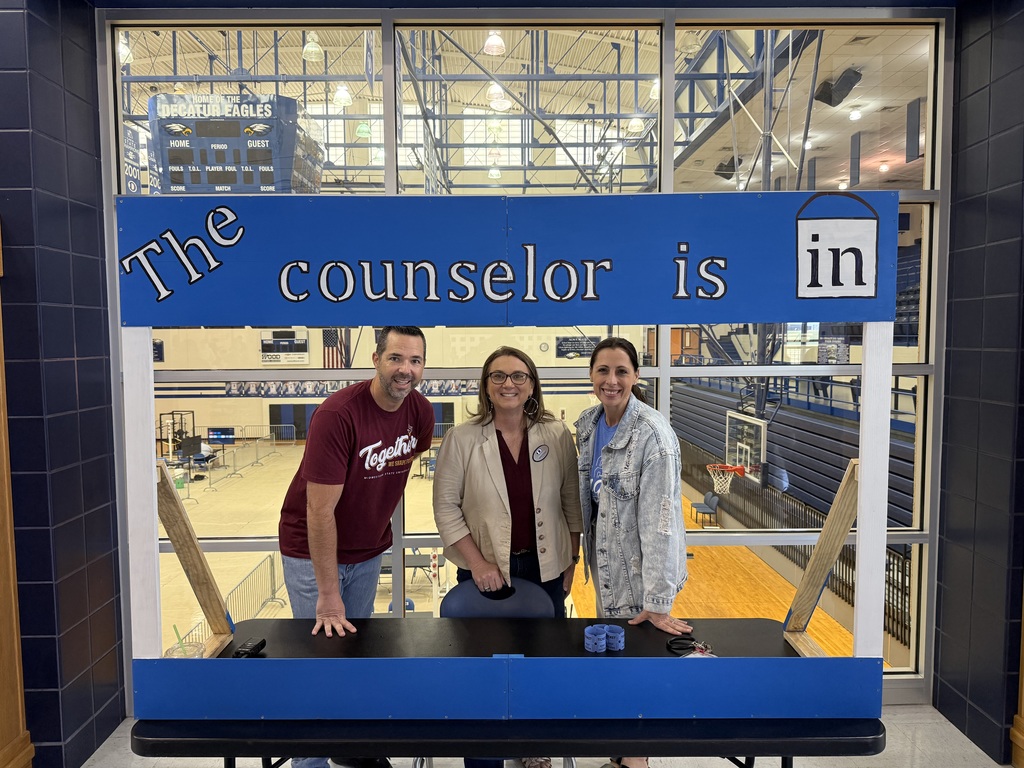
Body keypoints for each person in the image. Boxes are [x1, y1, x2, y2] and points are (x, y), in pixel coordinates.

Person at [278, 326, 435, 768]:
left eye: (416, 361)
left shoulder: (419, 413)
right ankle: (309, 763)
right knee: (320, 659)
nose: (406, 369)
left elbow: (396, 468)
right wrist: (328, 597)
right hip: (311, 551)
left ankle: (353, 752)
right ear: (376, 359)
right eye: (396, 359)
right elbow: (319, 512)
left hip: (368, 553)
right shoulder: (338, 415)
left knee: (355, 658)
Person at [433, 346, 583, 768]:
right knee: (484, 667)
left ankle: (533, 744)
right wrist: (478, 564)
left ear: (532, 384)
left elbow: (571, 501)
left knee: (540, 665)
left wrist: (570, 558)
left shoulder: (555, 434)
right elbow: (446, 506)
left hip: (546, 568)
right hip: (484, 571)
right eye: (497, 377)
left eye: (518, 376)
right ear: (485, 386)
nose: (508, 384)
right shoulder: (463, 438)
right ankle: (485, 751)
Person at [575, 337, 692, 768]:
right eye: (603, 371)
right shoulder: (589, 423)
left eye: (621, 371)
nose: (611, 380)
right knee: (615, 670)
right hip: (607, 569)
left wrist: (658, 601)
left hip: (641, 576)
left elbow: (663, 523)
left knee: (634, 673)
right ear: (591, 376)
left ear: (636, 376)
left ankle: (635, 760)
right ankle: (620, 755)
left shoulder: (654, 437)